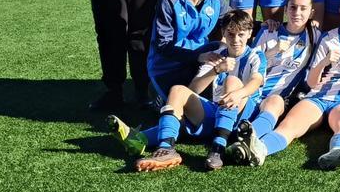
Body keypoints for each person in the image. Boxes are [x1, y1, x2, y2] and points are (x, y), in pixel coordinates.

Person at [246, 0, 340, 170]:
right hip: (318, 96)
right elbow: (312, 82)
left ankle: (337, 152)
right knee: (290, 126)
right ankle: (259, 150)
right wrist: (325, 62)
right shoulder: (328, 38)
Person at [112, 9, 266, 172]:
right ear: (223, 32)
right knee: (178, 91)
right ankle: (165, 149)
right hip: (218, 113)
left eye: (241, 34)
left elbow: (256, 81)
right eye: (231, 34)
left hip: (243, 119)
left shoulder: (255, 55)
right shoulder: (216, 55)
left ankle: (217, 149)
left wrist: (238, 93)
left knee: (232, 81)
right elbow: (193, 89)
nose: (235, 39)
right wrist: (216, 70)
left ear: (250, 33)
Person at [226, 0, 322, 165]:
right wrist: (273, 51)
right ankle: (239, 136)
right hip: (250, 93)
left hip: (276, 98)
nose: (297, 13)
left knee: (276, 101)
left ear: (311, 13)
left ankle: (246, 138)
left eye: (303, 9)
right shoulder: (269, 30)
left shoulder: (314, 35)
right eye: (292, 7)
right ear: (285, 9)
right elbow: (250, 60)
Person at [145, 0, 225, 105]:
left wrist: (264, 25)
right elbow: (163, 46)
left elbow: (233, 22)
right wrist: (198, 57)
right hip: (167, 65)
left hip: (198, 60)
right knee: (178, 108)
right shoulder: (168, 0)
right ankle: (156, 91)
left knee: (219, 47)